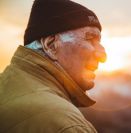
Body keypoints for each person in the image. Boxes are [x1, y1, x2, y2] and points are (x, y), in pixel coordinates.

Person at [0, 0, 106, 132]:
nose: (103, 55)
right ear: (50, 46)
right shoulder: (67, 125)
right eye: (90, 39)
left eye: (99, 42)